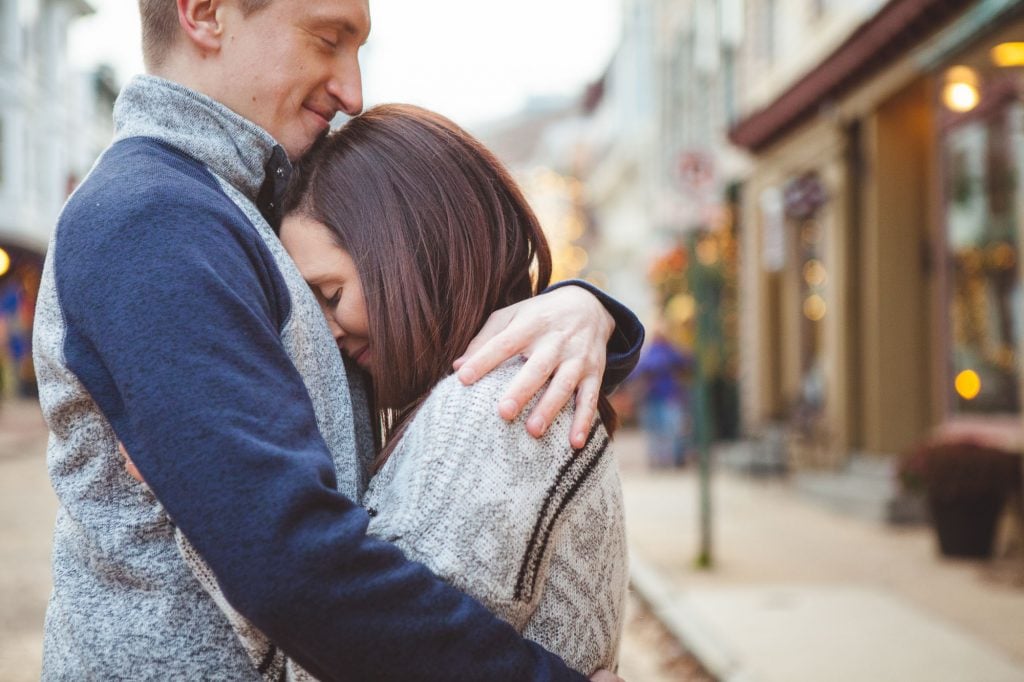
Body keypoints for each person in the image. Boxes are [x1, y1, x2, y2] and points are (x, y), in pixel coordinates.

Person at [32, 0, 642, 680]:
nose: (353, 91)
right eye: (328, 39)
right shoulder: (157, 219)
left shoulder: (230, 212)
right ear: (205, 14)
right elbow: (290, 564)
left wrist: (587, 309)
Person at [146, 103, 626, 680]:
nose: (325, 333)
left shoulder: (495, 404)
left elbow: (361, 657)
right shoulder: (497, 383)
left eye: (329, 294)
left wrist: (195, 489)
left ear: (408, 248)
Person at [633, 329, 691, 468]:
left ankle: (665, 459)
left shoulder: (666, 352)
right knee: (664, 430)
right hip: (660, 397)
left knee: (665, 429)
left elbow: (639, 370)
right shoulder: (665, 352)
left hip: (664, 397)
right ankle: (664, 459)